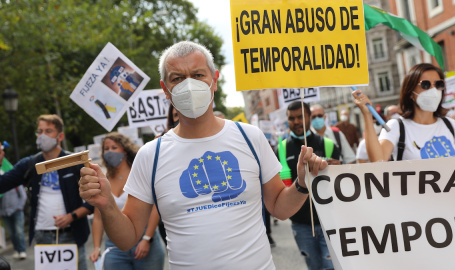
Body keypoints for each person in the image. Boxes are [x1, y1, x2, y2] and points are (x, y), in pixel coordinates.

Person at [79, 40, 327, 269]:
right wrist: (107, 205)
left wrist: (302, 184)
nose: (189, 85)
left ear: (214, 80)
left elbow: (279, 209)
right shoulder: (150, 155)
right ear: (166, 90)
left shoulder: (250, 137)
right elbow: (128, 238)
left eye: (198, 75)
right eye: (178, 78)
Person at [0, 114, 93, 270]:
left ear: (60, 136)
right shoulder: (29, 164)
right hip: (42, 236)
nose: (42, 135)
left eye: (48, 131)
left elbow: (93, 201)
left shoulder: (75, 162)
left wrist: (72, 216)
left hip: (72, 234)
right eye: (40, 131)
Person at [352, 63, 455, 162]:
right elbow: (378, 161)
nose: (433, 90)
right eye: (425, 85)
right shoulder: (396, 126)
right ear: (410, 92)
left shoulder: (450, 124)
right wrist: (367, 115)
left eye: (438, 84)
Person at [89, 132, 165, 269]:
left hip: (145, 240)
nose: (109, 152)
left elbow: (155, 208)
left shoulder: (140, 171)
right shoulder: (103, 180)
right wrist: (96, 247)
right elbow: (98, 217)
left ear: (125, 150)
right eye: (106, 149)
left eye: (114, 147)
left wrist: (147, 239)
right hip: (114, 245)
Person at [282, 101, 339, 270]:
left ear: (309, 117)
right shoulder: (281, 148)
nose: (296, 122)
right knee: (313, 267)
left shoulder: (327, 144)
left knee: (331, 266)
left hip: (329, 220)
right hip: (300, 223)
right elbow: (282, 186)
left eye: (300, 117)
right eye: (291, 118)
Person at [0, 157, 27, 260]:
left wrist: (19, 207)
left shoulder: (14, 182)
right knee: (11, 233)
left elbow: (23, 196)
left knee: (19, 231)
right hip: (5, 213)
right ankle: (17, 249)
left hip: (16, 211)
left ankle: (22, 250)